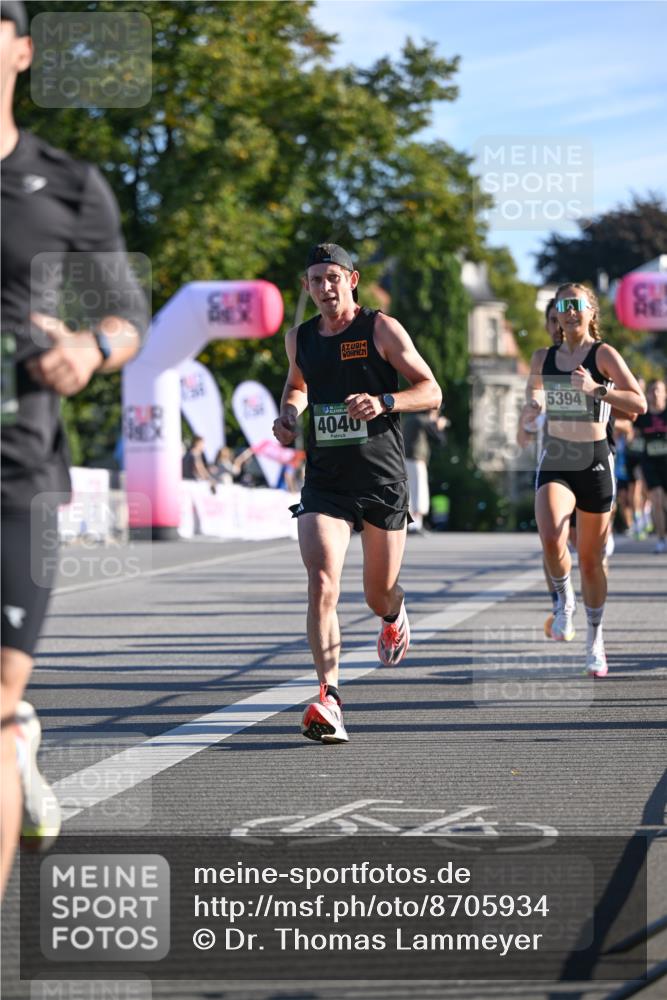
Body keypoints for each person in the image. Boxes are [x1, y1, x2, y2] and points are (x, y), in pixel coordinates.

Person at [1, 2, 148, 896]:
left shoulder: (65, 185)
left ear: (20, 50)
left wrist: (91, 349)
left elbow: (125, 315)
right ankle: (18, 746)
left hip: (14, 479)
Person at [273, 243, 441, 742]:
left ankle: (393, 612)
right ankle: (329, 697)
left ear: (352, 280)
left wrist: (384, 400)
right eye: (315, 280)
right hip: (325, 480)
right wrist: (289, 415)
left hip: (381, 479)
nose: (324, 288)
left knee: (375, 593)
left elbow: (431, 389)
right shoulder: (299, 337)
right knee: (322, 580)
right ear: (307, 287)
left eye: (333, 278)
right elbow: (297, 386)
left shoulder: (380, 329)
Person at [519, 283, 646, 677]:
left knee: (591, 561)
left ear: (591, 311)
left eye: (578, 306)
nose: (570, 313)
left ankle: (595, 638)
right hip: (557, 457)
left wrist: (598, 389)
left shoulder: (602, 354)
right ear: (554, 313)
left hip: (594, 462)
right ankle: (563, 602)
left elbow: (638, 403)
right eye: (563, 306)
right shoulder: (544, 357)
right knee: (552, 534)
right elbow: (531, 401)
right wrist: (532, 410)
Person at [635, 378, 667, 553]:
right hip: (650, 463)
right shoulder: (643, 416)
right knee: (657, 499)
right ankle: (661, 539)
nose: (655, 393)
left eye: (659, 390)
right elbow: (634, 437)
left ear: (665, 394)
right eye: (653, 390)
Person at [402, 407, 447, 533]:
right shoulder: (423, 420)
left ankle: (409, 523)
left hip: (404, 459)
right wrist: (439, 426)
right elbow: (440, 440)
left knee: (409, 491)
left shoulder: (409, 419)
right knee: (419, 490)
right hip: (416, 459)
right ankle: (415, 524)